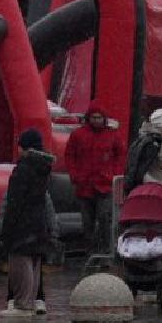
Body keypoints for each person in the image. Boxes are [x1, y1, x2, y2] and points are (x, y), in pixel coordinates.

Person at [0, 129, 56, 319]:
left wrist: (6, 229)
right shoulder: (42, 167)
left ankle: (23, 304)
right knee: (33, 262)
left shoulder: (23, 169)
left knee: (20, 261)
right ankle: (32, 300)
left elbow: (14, 202)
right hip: (37, 223)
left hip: (22, 225)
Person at [65, 106, 128, 252]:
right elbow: (70, 156)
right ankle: (90, 250)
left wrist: (115, 174)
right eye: (94, 117)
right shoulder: (78, 135)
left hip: (105, 185)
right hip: (84, 185)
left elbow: (121, 156)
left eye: (99, 117)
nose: (96, 120)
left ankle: (104, 250)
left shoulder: (113, 135)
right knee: (87, 221)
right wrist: (75, 175)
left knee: (105, 217)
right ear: (89, 118)